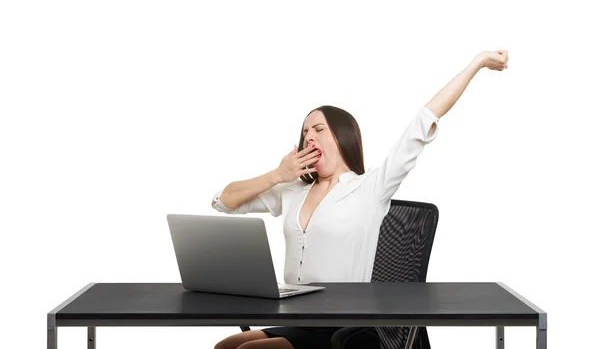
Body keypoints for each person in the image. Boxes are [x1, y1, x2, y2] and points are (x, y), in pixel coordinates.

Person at [211, 50, 509, 349]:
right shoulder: (291, 192)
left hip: (344, 323)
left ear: (342, 137)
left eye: (318, 129)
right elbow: (224, 201)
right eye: (304, 132)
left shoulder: (371, 188)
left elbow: (423, 121)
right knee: (225, 347)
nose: (309, 137)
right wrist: (277, 174)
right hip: (299, 319)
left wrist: (477, 64)